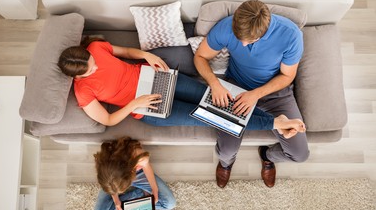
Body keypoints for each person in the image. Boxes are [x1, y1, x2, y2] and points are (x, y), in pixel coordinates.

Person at [58, 37, 305, 136]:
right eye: (90, 71)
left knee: (215, 99)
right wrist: (135, 103)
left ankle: (275, 119)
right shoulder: (82, 91)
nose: (95, 68)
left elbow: (124, 51)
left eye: (92, 63)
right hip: (146, 107)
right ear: (77, 78)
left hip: (155, 78)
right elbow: (108, 120)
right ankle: (275, 122)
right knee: (209, 117)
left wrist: (146, 55)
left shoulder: (95, 49)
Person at [194, 0, 310, 189]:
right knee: (225, 152)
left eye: (249, 41)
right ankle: (226, 164)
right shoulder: (227, 26)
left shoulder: (291, 35)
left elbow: (288, 75)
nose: (243, 44)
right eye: (239, 38)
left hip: (274, 92)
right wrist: (215, 83)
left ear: (264, 33)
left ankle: (267, 156)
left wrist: (256, 94)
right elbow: (200, 57)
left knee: (300, 155)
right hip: (236, 89)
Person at [93, 136, 176, 210]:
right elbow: (111, 186)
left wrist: (154, 189)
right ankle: (141, 194)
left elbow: (146, 167)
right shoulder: (104, 166)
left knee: (170, 204)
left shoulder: (137, 155)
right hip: (115, 178)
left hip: (139, 174)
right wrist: (116, 200)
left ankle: (136, 198)